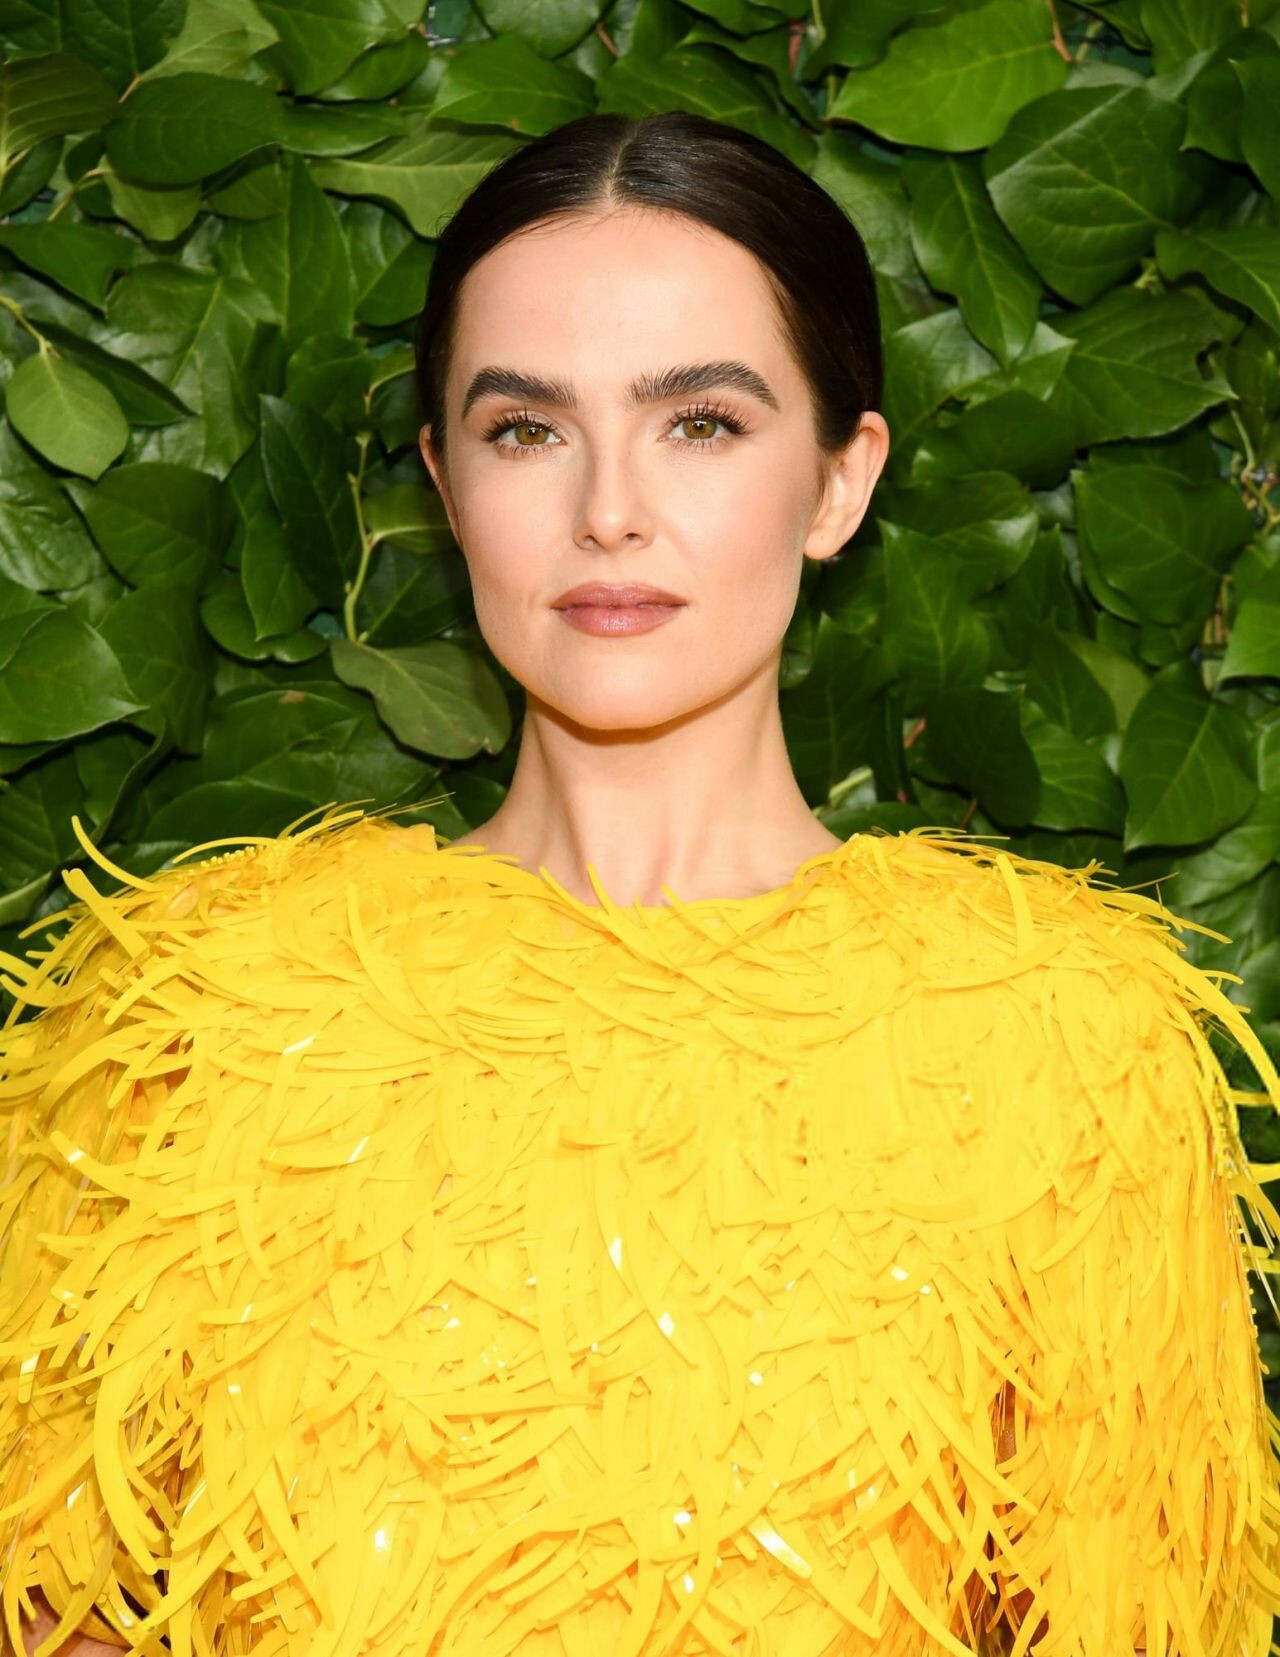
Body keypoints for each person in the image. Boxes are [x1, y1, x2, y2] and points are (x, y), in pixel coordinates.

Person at [2, 108, 1279, 1657]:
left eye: (702, 422)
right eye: (526, 429)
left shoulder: (1068, 1049)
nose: (608, 508)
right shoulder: (189, 1020)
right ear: (446, 483)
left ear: (840, 481)